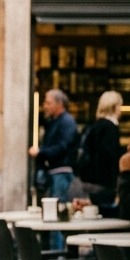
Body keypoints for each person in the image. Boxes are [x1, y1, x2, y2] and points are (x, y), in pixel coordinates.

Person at [29, 89, 78, 249]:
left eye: (48, 102)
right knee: (53, 215)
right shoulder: (56, 122)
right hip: (56, 174)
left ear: (59, 104)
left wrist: (41, 152)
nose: (45, 106)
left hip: (61, 173)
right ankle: (54, 252)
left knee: (57, 216)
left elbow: (63, 146)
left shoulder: (66, 122)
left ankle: (57, 253)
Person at [71, 90, 123, 206]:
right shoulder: (111, 128)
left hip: (84, 182)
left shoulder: (91, 127)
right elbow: (109, 156)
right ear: (115, 107)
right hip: (103, 184)